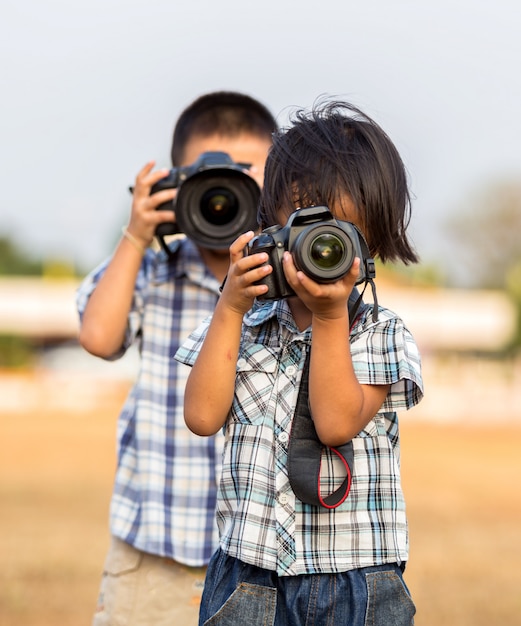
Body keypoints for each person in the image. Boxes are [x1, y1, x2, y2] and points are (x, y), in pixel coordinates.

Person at [176, 99, 424, 626]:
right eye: (305, 230)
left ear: (372, 241)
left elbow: (335, 423)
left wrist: (332, 315)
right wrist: (231, 305)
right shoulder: (241, 321)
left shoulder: (381, 331)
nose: (321, 251)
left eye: (337, 237)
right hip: (247, 576)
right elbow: (200, 418)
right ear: (272, 228)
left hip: (355, 579)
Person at [76, 91, 277, 625]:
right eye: (207, 181)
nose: (223, 195)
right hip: (155, 547)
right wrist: (137, 234)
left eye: (243, 176)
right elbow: (98, 337)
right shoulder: (151, 267)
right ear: (176, 185)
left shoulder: (280, 277)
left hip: (258, 559)